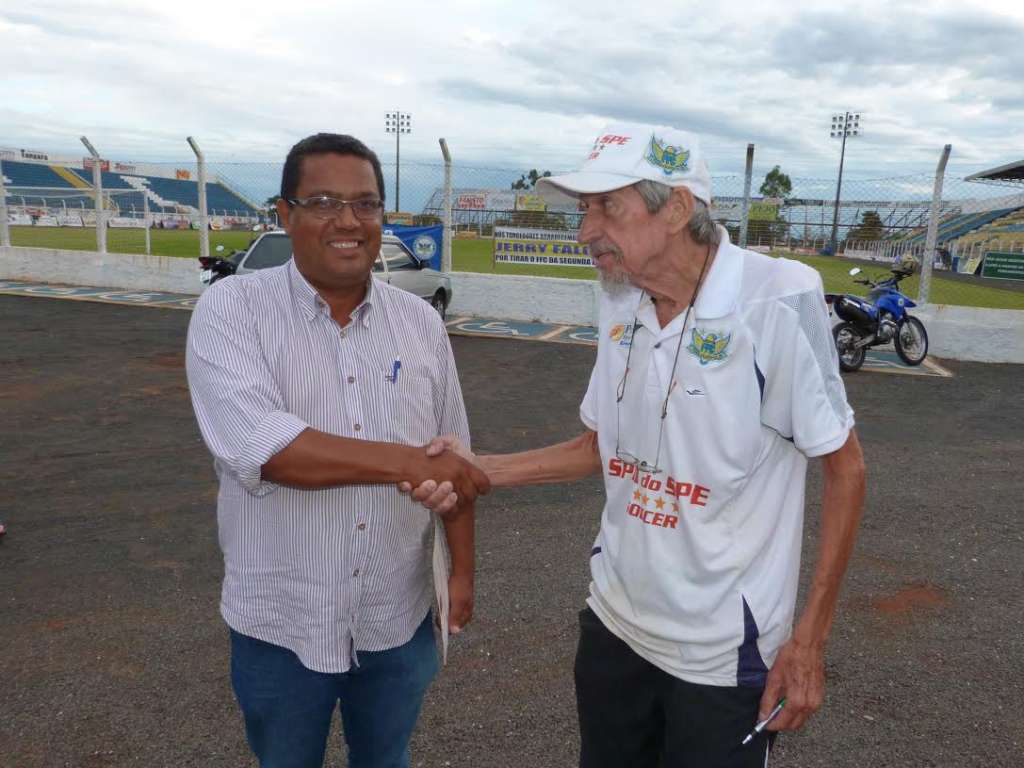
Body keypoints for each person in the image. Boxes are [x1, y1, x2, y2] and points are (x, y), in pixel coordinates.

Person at [407, 123, 866, 767]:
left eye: (606, 208)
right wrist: (476, 468)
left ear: (677, 209)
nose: (585, 230)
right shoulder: (620, 299)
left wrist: (809, 640)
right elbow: (601, 447)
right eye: (584, 210)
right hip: (614, 626)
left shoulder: (777, 300)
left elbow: (844, 468)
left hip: (721, 656)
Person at [185, 132, 490, 768]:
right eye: (323, 201)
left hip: (397, 609)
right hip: (282, 617)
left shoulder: (421, 323)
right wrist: (413, 463)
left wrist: (460, 572)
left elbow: (453, 457)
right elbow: (271, 452)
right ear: (284, 214)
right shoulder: (232, 309)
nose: (348, 220)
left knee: (386, 758)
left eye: (367, 203)